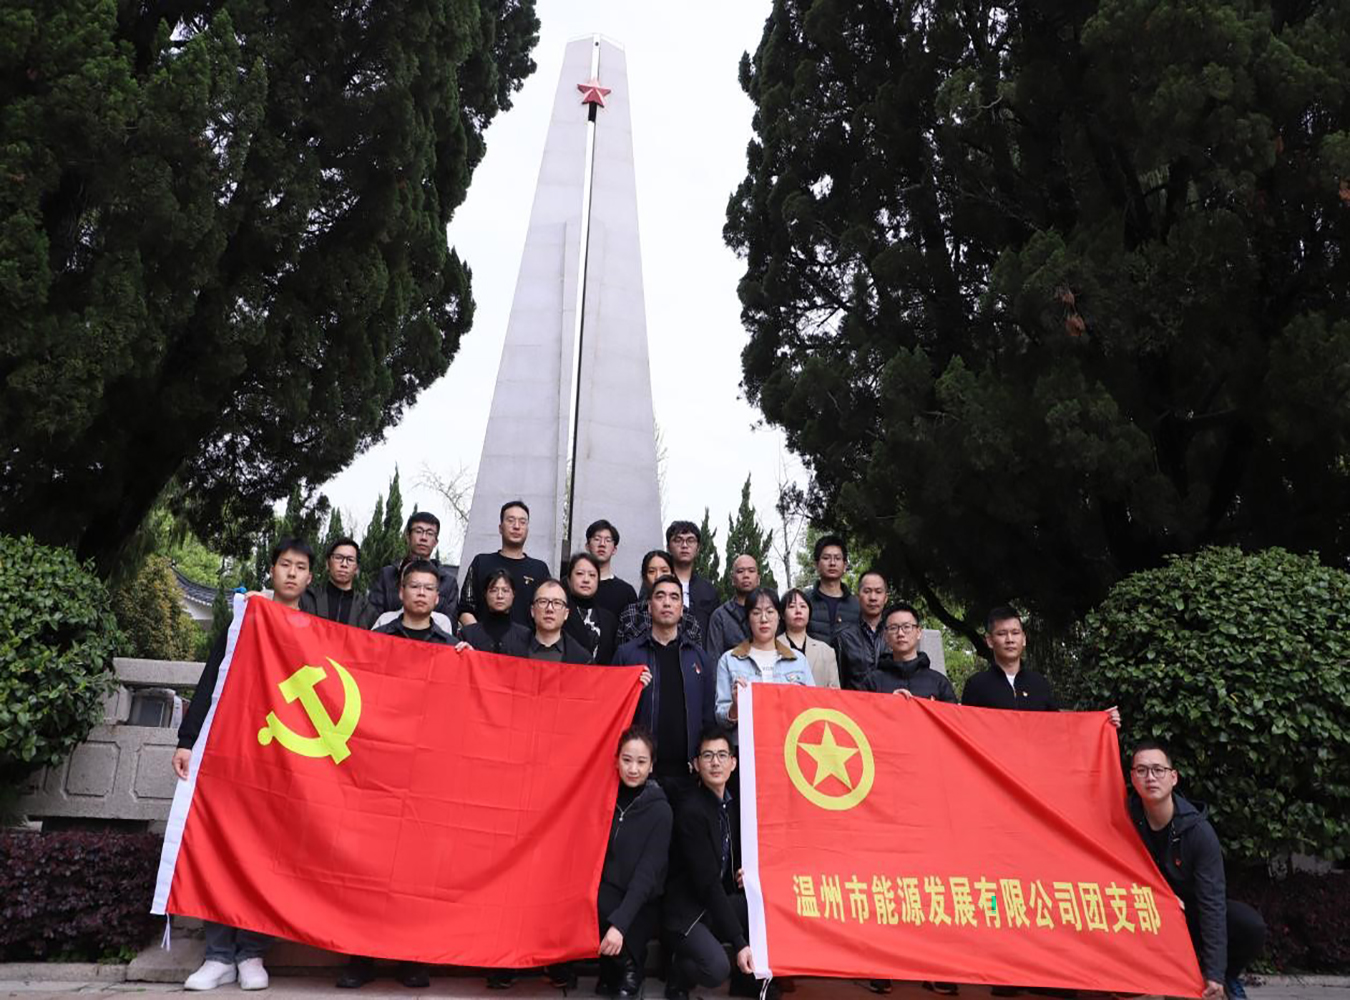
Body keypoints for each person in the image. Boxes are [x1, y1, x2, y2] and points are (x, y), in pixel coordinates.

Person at [173, 538, 316, 992]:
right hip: (232, 751)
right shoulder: (244, 619)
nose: (291, 573)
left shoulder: (315, 631)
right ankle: (218, 956)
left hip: (284, 762)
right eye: (285, 565)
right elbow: (211, 678)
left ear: (310, 578)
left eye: (300, 567)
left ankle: (252, 952)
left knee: (268, 857)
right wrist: (187, 740)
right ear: (272, 570)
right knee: (219, 848)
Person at [1128, 741, 1265, 1000]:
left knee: (1248, 924)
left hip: (1191, 916)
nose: (1151, 777)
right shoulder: (1125, 818)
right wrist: (1105, 725)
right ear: (1132, 778)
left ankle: (1225, 977)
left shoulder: (1198, 832)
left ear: (1173, 777)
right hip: (1147, 914)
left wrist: (1215, 973)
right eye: (1142, 770)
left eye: (1158, 770)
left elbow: (1211, 903)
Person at [662, 725, 757, 1000]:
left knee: (759, 904)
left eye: (722, 755)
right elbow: (707, 883)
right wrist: (739, 943)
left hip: (713, 904)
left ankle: (747, 982)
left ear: (733, 763)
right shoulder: (691, 811)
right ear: (696, 764)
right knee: (716, 969)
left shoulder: (732, 803)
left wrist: (746, 873)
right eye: (707, 756)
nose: (715, 762)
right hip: (686, 910)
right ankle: (679, 969)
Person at [612, 575, 716, 793]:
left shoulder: (699, 658)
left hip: (688, 776)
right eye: (660, 596)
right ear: (650, 607)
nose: (667, 603)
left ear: (682, 609)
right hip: (641, 774)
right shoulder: (627, 655)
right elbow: (614, 714)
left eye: (674, 597)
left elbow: (708, 718)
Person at [597, 726, 673, 1000]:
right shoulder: (605, 799)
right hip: (608, 892)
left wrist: (619, 925)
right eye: (627, 760)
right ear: (616, 760)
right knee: (589, 900)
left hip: (642, 901)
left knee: (622, 918)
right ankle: (614, 965)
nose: (633, 769)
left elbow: (647, 875)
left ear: (651, 766)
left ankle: (631, 969)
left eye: (641, 762)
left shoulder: (661, 810)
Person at [962, 607, 1122, 727]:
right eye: (1002, 634)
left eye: (1015, 633)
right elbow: (965, 732)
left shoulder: (1039, 684)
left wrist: (1101, 721)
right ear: (990, 641)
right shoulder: (976, 685)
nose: (1010, 639)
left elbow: (1060, 726)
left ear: (1024, 639)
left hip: (1035, 761)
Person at [716, 588, 815, 726]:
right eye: (756, 613)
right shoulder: (729, 660)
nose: (764, 619)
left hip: (787, 737)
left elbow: (811, 708)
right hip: (746, 738)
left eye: (770, 611)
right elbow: (720, 717)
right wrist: (735, 707)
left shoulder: (798, 660)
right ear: (748, 618)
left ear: (779, 616)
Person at [459, 500, 551, 629]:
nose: (516, 526)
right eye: (510, 520)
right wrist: (479, 635)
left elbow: (548, 610)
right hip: (483, 640)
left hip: (527, 641)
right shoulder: (481, 562)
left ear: (527, 529)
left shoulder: (539, 569)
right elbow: (465, 608)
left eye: (522, 522)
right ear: (500, 528)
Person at [367, 512, 459, 621]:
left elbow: (449, 624)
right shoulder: (387, 575)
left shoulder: (448, 583)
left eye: (430, 533)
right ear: (408, 536)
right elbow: (372, 617)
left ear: (435, 542)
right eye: (418, 531)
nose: (423, 538)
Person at [861, 603, 956, 702]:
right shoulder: (872, 682)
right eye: (893, 628)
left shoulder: (938, 683)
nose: (900, 633)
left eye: (906, 627)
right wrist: (887, 702)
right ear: (885, 636)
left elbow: (952, 712)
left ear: (918, 632)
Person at [616, 549, 703, 647]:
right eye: (651, 571)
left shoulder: (687, 617)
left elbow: (696, 654)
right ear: (645, 578)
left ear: (673, 575)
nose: (658, 576)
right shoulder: (630, 614)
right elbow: (621, 653)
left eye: (664, 571)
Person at [499, 578, 593, 663]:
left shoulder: (582, 659)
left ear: (566, 614)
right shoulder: (511, 650)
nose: (549, 609)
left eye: (557, 603)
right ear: (532, 611)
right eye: (543, 601)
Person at [371, 560, 457, 646]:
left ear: (437, 597)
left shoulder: (449, 645)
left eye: (429, 588)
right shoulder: (377, 638)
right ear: (401, 592)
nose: (421, 593)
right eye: (414, 586)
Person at [301, 537, 377, 628]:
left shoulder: (366, 610)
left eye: (350, 560)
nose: (344, 564)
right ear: (327, 564)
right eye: (338, 558)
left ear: (356, 569)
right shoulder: (307, 598)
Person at [833, 569, 889, 689]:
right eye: (867, 591)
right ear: (858, 596)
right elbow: (839, 682)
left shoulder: (896, 634)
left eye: (878, 592)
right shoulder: (843, 637)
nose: (873, 597)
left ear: (885, 598)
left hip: (889, 699)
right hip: (854, 700)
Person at [665, 520, 720, 637]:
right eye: (678, 540)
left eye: (690, 540)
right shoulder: (658, 585)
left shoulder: (708, 590)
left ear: (698, 548)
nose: (684, 545)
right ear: (668, 547)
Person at [564, 551, 619, 665]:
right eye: (580, 574)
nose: (586, 579)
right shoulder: (560, 613)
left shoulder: (609, 619)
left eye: (592, 575)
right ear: (569, 580)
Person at [780, 588, 840, 689]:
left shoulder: (826, 651)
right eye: (792, 606)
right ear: (782, 614)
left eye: (803, 606)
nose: (798, 611)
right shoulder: (772, 647)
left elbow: (835, 691)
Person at [803, 534, 860, 642]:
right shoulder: (804, 601)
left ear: (845, 565)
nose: (832, 563)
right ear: (816, 565)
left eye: (837, 558)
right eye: (826, 558)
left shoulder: (856, 605)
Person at [458, 568, 529, 654]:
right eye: (494, 590)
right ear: (485, 594)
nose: (500, 596)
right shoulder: (468, 634)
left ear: (513, 594)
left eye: (505, 590)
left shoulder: (526, 636)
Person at [705, 554, 759, 657]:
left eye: (751, 571)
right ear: (733, 580)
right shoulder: (720, 616)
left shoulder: (769, 614)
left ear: (758, 579)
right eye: (740, 571)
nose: (746, 575)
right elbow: (714, 658)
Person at [587, 519, 639, 620]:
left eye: (608, 540)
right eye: (597, 539)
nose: (602, 544)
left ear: (614, 549)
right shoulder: (571, 585)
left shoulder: (626, 592)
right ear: (588, 546)